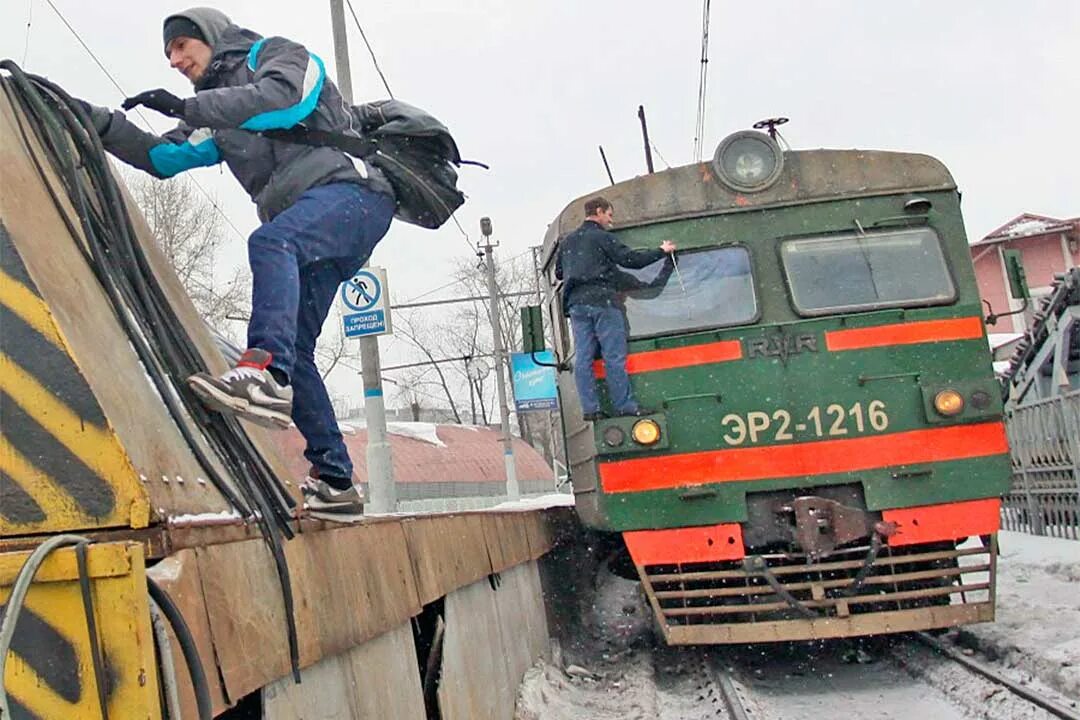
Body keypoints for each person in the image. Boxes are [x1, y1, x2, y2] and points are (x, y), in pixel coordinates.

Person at [75, 7, 396, 516]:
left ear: (210, 37)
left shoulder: (278, 55)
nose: (176, 59)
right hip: (314, 224)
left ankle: (262, 373)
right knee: (300, 349)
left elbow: (283, 103)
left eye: (182, 45)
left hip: (351, 196)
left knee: (270, 243)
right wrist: (92, 120)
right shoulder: (215, 114)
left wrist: (189, 105)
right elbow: (162, 158)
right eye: (169, 54)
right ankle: (337, 482)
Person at [555, 196, 676, 421]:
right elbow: (631, 260)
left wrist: (583, 268)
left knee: (583, 358)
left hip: (577, 305)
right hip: (603, 303)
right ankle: (624, 405)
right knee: (614, 357)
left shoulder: (568, 242)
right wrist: (661, 251)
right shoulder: (602, 237)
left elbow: (559, 273)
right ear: (599, 212)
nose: (610, 220)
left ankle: (591, 409)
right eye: (609, 215)